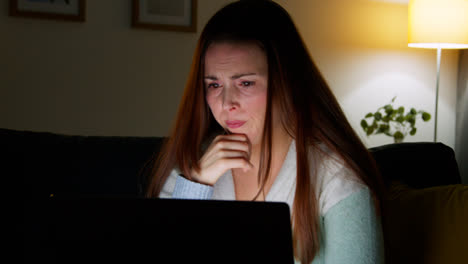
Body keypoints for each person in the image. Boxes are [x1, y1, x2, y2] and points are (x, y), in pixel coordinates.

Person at [146, 0, 385, 263]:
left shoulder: (335, 176)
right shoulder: (189, 171)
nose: (227, 104)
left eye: (246, 83)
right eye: (213, 85)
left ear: (287, 83)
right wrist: (195, 188)